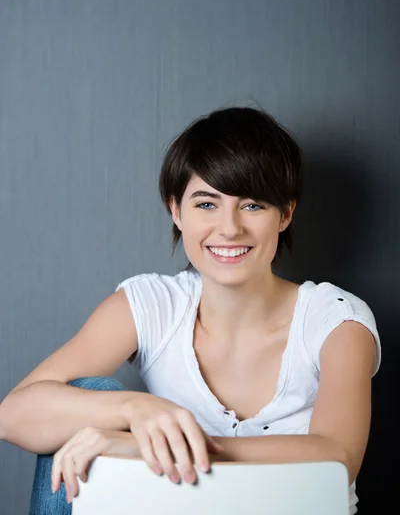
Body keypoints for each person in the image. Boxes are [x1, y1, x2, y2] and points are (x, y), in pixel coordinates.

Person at [0, 107, 381, 515]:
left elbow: (337, 457)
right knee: (86, 405)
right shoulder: (152, 305)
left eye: (252, 205)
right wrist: (136, 409)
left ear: (285, 213)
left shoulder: (337, 321)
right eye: (206, 204)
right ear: (176, 212)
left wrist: (154, 446)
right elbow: (14, 414)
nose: (229, 228)